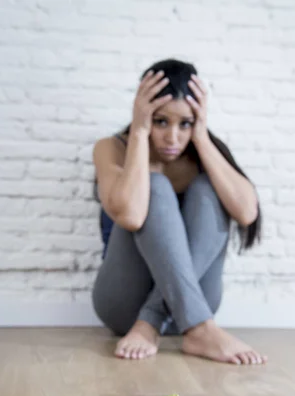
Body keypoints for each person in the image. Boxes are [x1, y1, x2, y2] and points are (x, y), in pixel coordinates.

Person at [92, 58, 267, 366]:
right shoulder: (112, 147)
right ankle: (194, 327)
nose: (173, 138)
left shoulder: (202, 153)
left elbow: (246, 213)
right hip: (124, 308)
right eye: (161, 121)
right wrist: (139, 132)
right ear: (143, 113)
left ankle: (164, 322)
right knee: (155, 186)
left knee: (209, 188)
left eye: (184, 123)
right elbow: (131, 216)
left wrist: (200, 136)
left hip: (192, 309)